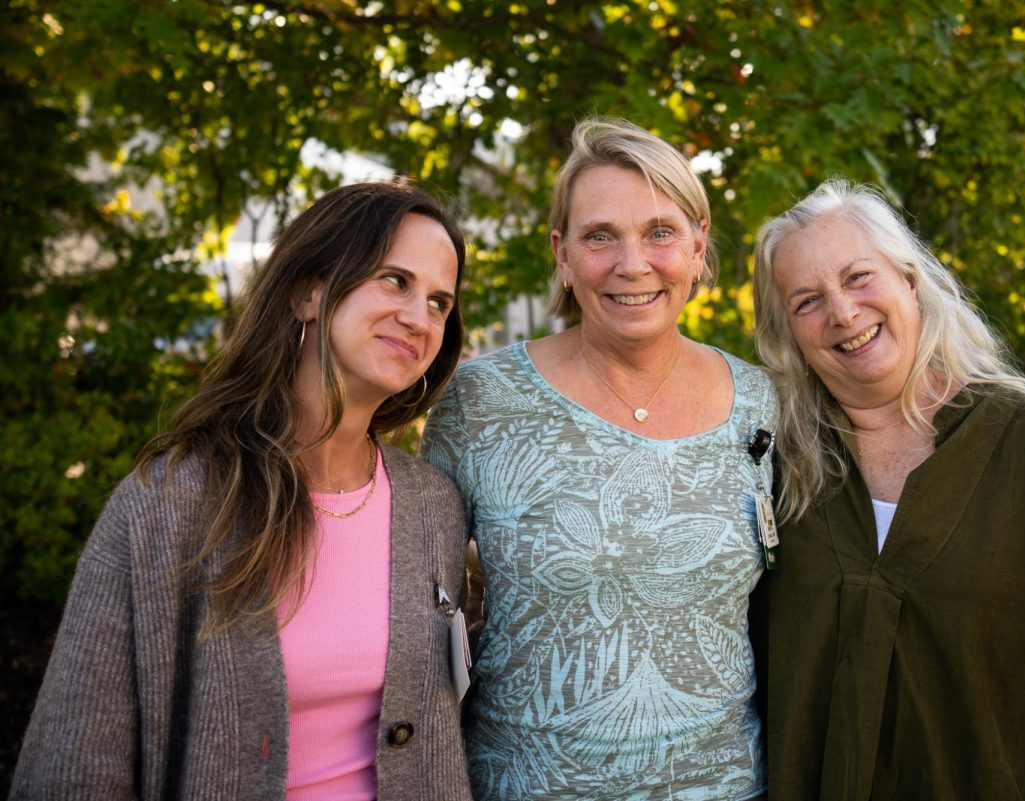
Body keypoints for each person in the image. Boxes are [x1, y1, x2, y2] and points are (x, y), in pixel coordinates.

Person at [11, 181, 473, 801]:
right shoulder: (172, 502)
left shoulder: (432, 507)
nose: (420, 317)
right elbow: (75, 761)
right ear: (307, 292)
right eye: (395, 280)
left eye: (440, 302)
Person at [749, 177, 1025, 800]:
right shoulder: (779, 466)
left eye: (859, 277)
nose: (842, 312)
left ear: (910, 281)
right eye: (806, 301)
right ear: (789, 335)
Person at [421, 117, 777, 801]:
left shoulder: (760, 402)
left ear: (699, 244)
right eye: (599, 236)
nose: (632, 263)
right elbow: (419, 604)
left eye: (660, 233)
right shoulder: (482, 403)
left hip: (725, 785)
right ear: (561, 253)